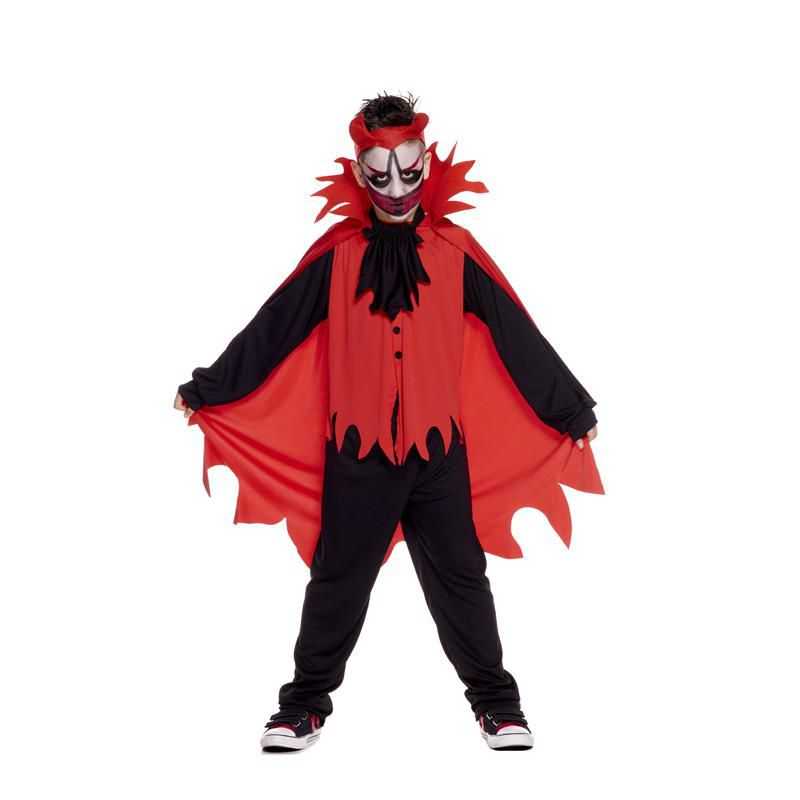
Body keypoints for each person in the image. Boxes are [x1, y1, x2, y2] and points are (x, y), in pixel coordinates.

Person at [174, 92, 604, 752]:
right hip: (358, 454)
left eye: (408, 171)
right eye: (380, 174)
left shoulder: (457, 251)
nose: (397, 189)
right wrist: (210, 387)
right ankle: (303, 706)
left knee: (461, 581)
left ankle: (497, 705)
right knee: (337, 582)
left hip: (438, 453)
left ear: (425, 162)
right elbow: (274, 328)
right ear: (359, 171)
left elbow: (515, 332)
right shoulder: (336, 255)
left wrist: (569, 407)